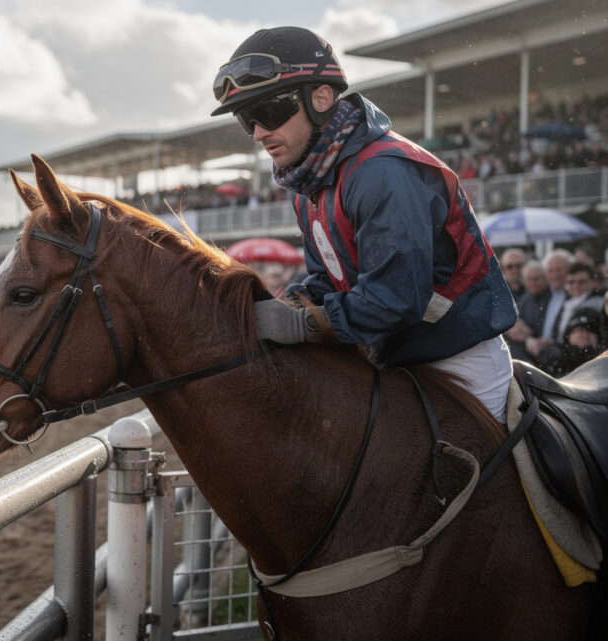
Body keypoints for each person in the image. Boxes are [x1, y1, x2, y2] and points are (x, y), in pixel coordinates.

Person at [210, 26, 517, 422]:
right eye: (246, 118)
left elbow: (396, 299)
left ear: (321, 98)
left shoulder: (381, 172)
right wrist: (286, 304)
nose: (258, 133)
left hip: (458, 362)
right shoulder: (307, 183)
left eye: (268, 112)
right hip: (388, 356)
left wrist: (305, 322)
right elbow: (329, 280)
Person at [506, 260, 550, 363]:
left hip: (545, 348)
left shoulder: (552, 298)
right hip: (526, 349)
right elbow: (515, 325)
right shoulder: (524, 300)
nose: (532, 283)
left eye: (536, 279)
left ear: (545, 278)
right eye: (529, 279)